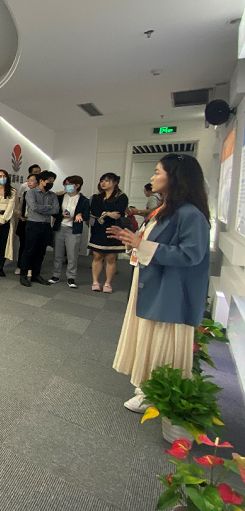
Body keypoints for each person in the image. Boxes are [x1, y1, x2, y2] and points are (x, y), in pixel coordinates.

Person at [109, 154, 210, 413]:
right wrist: (132, 241)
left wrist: (141, 245)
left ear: (174, 177)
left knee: (162, 340)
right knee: (147, 336)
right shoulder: (164, 209)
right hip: (151, 281)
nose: (152, 177)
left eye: (157, 172)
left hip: (170, 289)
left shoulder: (190, 214)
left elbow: (190, 254)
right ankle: (148, 386)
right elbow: (150, 241)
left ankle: (157, 393)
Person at [88, 172, 129, 293]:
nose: (103, 183)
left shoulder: (121, 197)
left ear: (115, 182)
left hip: (113, 229)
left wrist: (105, 214)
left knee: (111, 258)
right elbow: (94, 210)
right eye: (102, 181)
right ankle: (95, 281)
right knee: (97, 256)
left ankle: (108, 283)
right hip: (98, 229)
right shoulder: (97, 197)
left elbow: (118, 212)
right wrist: (107, 213)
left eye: (106, 180)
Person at [48, 175, 91, 288]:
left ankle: (71, 277)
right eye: (66, 184)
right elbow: (54, 212)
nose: (67, 186)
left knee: (72, 255)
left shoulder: (83, 200)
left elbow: (87, 215)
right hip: (60, 227)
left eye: (69, 184)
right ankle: (55, 275)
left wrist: (80, 215)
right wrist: (61, 214)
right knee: (57, 253)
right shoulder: (60, 197)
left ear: (77, 186)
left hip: (73, 229)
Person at [19, 171, 59, 287]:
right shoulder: (30, 193)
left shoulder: (52, 195)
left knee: (41, 252)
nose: (51, 184)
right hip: (33, 225)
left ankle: (36, 275)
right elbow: (35, 207)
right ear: (41, 181)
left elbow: (56, 210)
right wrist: (49, 207)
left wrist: (44, 209)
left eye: (52, 182)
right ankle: (23, 275)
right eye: (49, 181)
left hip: (46, 226)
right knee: (29, 250)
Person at [14, 173, 38, 276]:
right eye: (28, 180)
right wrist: (20, 215)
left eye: (32, 180)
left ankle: (30, 267)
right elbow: (20, 205)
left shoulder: (40, 194)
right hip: (24, 221)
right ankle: (20, 266)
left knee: (32, 246)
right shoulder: (25, 193)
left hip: (34, 222)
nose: (29, 182)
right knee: (23, 245)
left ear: (38, 182)